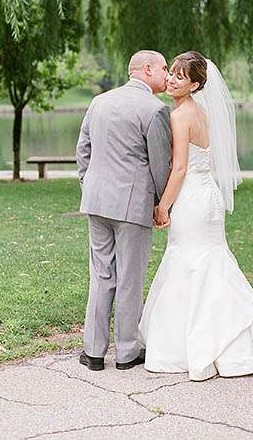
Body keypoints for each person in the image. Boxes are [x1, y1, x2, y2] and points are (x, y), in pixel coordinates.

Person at [139, 51, 253, 381]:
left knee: (189, 261)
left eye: (179, 75)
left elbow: (179, 168)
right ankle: (240, 342)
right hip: (209, 199)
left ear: (195, 83)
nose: (171, 79)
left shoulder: (179, 116)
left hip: (191, 198)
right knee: (212, 260)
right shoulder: (202, 112)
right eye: (170, 73)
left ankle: (191, 345)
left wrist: (162, 207)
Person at [76, 50, 172, 371]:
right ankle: (127, 352)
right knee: (130, 278)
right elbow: (161, 164)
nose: (167, 74)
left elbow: (83, 151)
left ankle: (93, 352)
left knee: (101, 274)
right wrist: (162, 204)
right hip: (132, 205)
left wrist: (90, 187)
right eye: (163, 68)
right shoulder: (155, 109)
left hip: (96, 202)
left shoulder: (99, 101)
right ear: (147, 69)